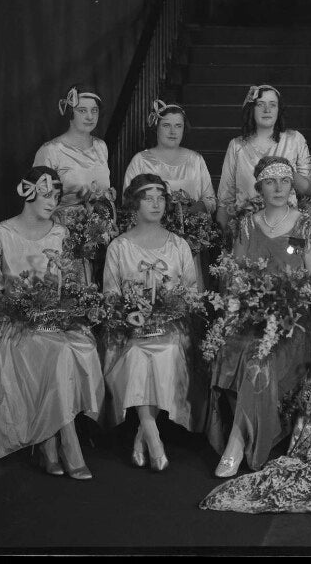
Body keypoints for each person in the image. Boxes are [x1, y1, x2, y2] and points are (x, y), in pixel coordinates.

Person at [0, 166, 104, 479]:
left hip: (56, 322)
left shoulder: (61, 233)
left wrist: (67, 307)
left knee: (79, 348)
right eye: (47, 194)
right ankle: (67, 443)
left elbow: (73, 283)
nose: (52, 202)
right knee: (58, 353)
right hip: (17, 325)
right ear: (29, 192)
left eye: (57, 196)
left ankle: (50, 444)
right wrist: (20, 307)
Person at [208, 156, 311, 477]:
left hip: (289, 320)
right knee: (236, 350)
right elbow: (234, 275)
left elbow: (307, 274)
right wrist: (241, 306)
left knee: (261, 362)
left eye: (285, 181)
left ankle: (237, 442)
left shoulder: (302, 226)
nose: (279, 188)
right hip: (251, 314)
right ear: (259, 186)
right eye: (270, 181)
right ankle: (242, 433)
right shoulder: (247, 224)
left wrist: (285, 305)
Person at [102, 173, 206, 472]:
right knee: (136, 355)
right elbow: (110, 293)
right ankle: (152, 434)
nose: (156, 203)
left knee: (169, 350)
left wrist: (167, 311)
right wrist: (129, 313)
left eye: (161, 198)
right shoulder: (119, 247)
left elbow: (191, 292)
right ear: (135, 204)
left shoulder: (178, 245)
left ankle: (142, 434)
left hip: (170, 326)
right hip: (130, 328)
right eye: (149, 198)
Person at [122, 100, 216, 291]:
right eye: (166, 125)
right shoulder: (140, 160)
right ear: (156, 127)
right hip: (149, 240)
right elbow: (127, 201)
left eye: (178, 126)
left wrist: (190, 211)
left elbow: (211, 200)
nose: (173, 131)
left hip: (188, 240)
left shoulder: (195, 160)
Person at [34, 84, 113, 283]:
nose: (89, 116)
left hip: (99, 236)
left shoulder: (101, 147)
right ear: (71, 112)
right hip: (64, 238)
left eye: (94, 111)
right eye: (82, 110)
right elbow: (38, 202)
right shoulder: (51, 150)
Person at [215, 85, 311, 236]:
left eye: (272, 105)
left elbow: (310, 189)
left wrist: (286, 170)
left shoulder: (294, 140)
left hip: (286, 228)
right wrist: (224, 238)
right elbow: (225, 199)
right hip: (247, 230)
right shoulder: (236, 146)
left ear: (278, 109)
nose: (267, 110)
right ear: (252, 109)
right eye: (260, 104)